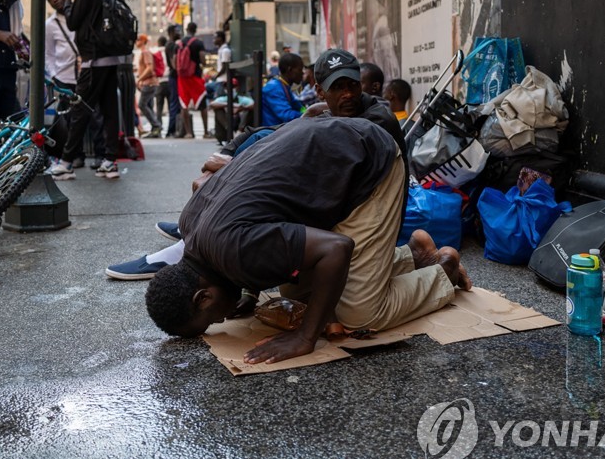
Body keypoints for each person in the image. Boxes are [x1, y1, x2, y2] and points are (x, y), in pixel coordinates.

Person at [145, 117, 472, 364]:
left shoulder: (233, 250)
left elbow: (336, 248)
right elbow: (254, 218)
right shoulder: (191, 225)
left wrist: (306, 337)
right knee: (296, 291)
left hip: (369, 164)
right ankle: (413, 257)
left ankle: (442, 270)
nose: (223, 318)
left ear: (204, 296)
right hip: (334, 159)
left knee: (360, 313)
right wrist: (248, 289)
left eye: (215, 317)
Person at [105, 48, 406, 282]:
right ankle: (200, 232)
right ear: (321, 91)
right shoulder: (325, 111)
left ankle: (198, 239)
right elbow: (272, 133)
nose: (349, 94)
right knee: (256, 152)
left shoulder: (373, 121)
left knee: (358, 310)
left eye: (353, 86)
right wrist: (231, 154)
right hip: (337, 201)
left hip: (361, 208)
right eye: (338, 87)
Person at [50, 0, 129, 180]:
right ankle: (109, 162)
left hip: (93, 61)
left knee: (79, 110)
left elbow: (73, 21)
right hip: (110, 60)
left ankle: (65, 162)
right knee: (109, 111)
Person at [41, 0, 85, 172]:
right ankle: (74, 156)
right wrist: (54, 75)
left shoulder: (78, 14)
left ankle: (93, 155)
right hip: (63, 78)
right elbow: (48, 53)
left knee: (85, 116)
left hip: (84, 74)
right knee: (67, 120)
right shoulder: (50, 25)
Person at [176, 22, 207, 139]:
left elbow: (175, 62)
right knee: (202, 103)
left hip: (182, 78)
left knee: (184, 104)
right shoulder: (198, 43)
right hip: (195, 76)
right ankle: (205, 132)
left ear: (186, 29)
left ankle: (189, 132)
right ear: (195, 30)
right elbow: (203, 59)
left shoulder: (179, 44)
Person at [260, 52, 304, 126]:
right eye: (300, 69)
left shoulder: (284, 86)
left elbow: (298, 107)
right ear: (289, 70)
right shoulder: (273, 88)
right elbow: (287, 116)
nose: (302, 73)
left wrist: (309, 111)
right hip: (272, 133)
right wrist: (309, 115)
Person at [135, 34, 161, 138]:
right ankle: (155, 129)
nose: (136, 42)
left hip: (149, 83)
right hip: (149, 83)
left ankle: (156, 125)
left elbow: (150, 68)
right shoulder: (144, 52)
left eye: (138, 40)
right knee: (148, 105)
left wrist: (139, 79)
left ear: (142, 41)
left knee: (142, 104)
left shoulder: (145, 52)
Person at [164, 24, 181, 138]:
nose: (179, 32)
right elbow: (173, 62)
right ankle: (171, 130)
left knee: (176, 103)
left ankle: (175, 129)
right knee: (174, 103)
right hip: (174, 76)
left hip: (174, 76)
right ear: (171, 32)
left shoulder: (170, 44)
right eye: (176, 31)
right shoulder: (172, 45)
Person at [154, 35, 171, 130]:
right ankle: (171, 129)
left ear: (158, 43)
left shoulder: (156, 53)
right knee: (170, 107)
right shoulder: (169, 51)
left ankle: (159, 127)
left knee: (159, 107)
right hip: (169, 81)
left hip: (160, 82)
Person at [212, 30, 232, 99]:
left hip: (223, 81)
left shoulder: (225, 51)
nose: (213, 40)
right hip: (219, 80)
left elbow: (224, 67)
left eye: (215, 38)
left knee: (218, 103)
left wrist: (216, 76)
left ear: (220, 38)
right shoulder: (220, 50)